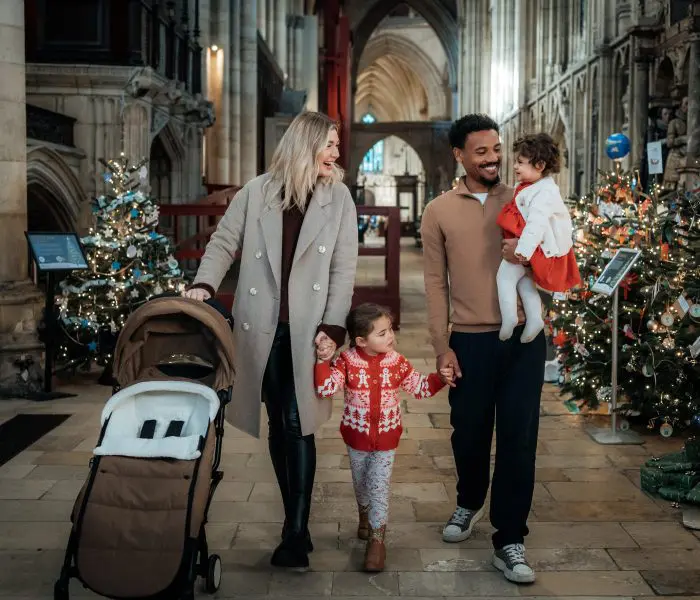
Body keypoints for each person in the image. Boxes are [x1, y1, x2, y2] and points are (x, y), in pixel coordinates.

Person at [183, 111, 358, 570]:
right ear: (307, 143)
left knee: (298, 422)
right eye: (331, 144)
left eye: (337, 146)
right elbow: (223, 242)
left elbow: (343, 267)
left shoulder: (338, 198)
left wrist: (334, 326)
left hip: (308, 330)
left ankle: (296, 533)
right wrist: (204, 284)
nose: (337, 153)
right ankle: (292, 520)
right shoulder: (256, 191)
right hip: (260, 327)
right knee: (280, 422)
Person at [420, 114, 545, 584]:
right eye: (482, 152)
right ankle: (469, 501)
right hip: (468, 340)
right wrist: (441, 346)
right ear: (459, 155)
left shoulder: (522, 198)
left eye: (497, 149)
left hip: (522, 342)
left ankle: (510, 537)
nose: (493, 158)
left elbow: (554, 251)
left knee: (519, 439)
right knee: (468, 434)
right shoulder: (438, 211)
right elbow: (435, 284)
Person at [313, 303, 453, 572]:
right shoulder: (347, 362)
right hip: (356, 437)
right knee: (361, 482)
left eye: (389, 330)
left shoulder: (396, 362)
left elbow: (420, 387)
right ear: (361, 341)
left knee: (378, 486)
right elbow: (325, 388)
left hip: (387, 438)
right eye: (382, 333)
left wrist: (439, 379)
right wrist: (322, 362)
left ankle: (377, 541)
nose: (390, 337)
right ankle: (363, 515)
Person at [496, 133, 581, 343]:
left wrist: (522, 252)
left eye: (521, 163)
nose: (515, 166)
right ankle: (534, 319)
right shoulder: (530, 185)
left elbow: (537, 224)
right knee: (525, 282)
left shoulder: (545, 192)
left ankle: (509, 319)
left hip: (536, 247)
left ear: (540, 165)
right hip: (531, 245)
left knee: (504, 277)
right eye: (515, 161)